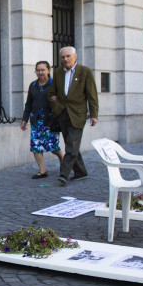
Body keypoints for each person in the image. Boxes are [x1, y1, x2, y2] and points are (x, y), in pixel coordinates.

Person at [49, 46, 99, 187]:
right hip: (62, 114)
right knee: (72, 144)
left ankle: (64, 174)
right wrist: (57, 106)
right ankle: (81, 172)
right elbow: (52, 94)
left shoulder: (85, 72)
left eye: (68, 56)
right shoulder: (58, 72)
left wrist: (94, 114)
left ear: (75, 56)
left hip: (78, 114)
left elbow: (92, 95)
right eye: (63, 57)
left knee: (71, 145)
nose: (65, 59)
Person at [20, 61, 65, 179]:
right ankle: (42, 170)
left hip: (50, 121)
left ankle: (64, 163)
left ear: (48, 70)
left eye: (43, 70)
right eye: (38, 70)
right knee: (36, 146)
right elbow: (28, 103)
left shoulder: (54, 85)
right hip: (36, 121)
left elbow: (62, 102)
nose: (40, 72)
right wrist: (24, 119)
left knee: (53, 147)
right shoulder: (33, 85)